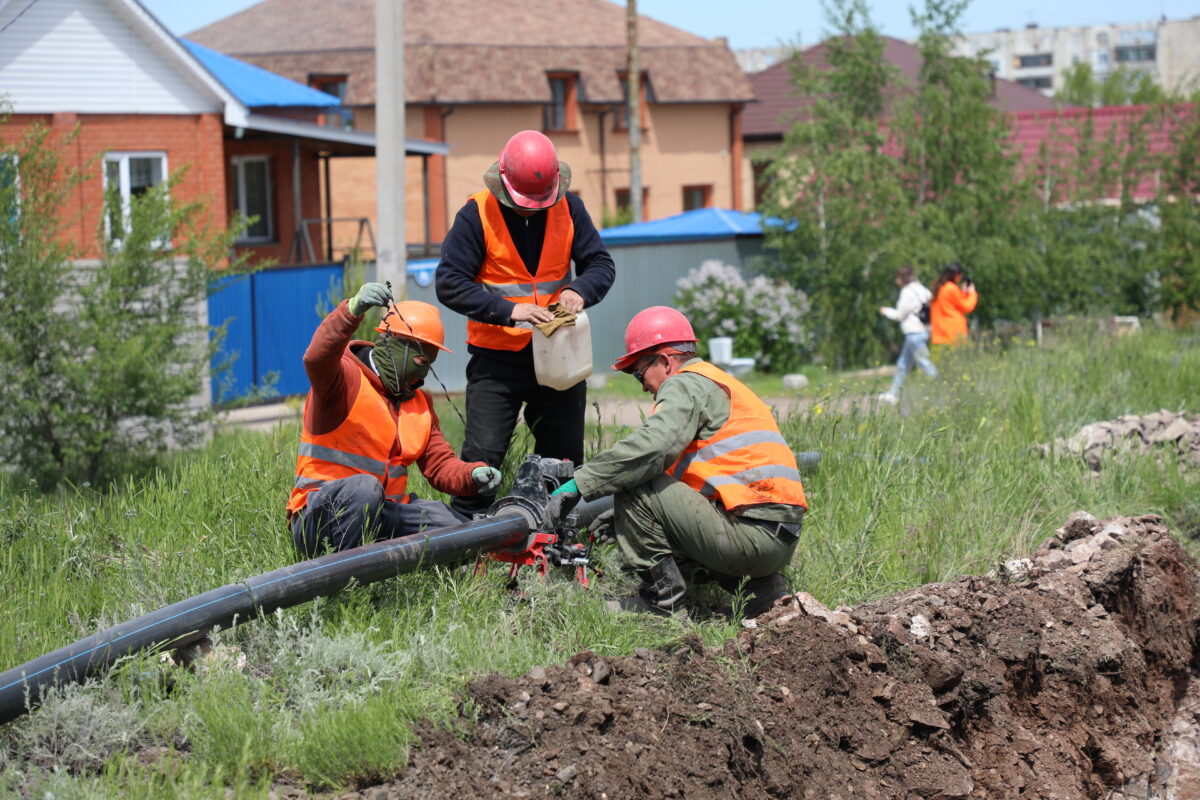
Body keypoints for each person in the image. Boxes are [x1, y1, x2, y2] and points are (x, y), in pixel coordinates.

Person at [544, 306, 807, 618]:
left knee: (636, 480)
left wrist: (579, 483)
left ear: (666, 361)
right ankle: (763, 594)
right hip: (778, 540)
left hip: (751, 537)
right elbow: (699, 481)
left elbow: (652, 450)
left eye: (640, 373)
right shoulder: (719, 383)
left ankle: (662, 602)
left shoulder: (685, 383)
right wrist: (625, 518)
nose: (642, 385)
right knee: (641, 489)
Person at [436, 130, 615, 520]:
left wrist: (579, 290)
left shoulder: (571, 208)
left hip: (559, 356)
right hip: (497, 360)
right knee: (481, 463)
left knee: (565, 462)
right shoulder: (476, 214)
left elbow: (600, 264)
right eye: (524, 204)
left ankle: (561, 542)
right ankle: (465, 546)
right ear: (502, 182)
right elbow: (449, 283)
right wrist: (508, 310)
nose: (532, 210)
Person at [287, 282, 503, 557]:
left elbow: (440, 465)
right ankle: (346, 585)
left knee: (448, 523)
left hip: (383, 513)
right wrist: (351, 310)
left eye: (430, 363)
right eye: (420, 361)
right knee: (365, 488)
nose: (423, 375)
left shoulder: (421, 404)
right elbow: (316, 358)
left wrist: (472, 474)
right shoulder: (343, 381)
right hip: (320, 516)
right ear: (391, 346)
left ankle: (454, 583)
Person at [877, 265, 937, 405]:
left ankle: (941, 388)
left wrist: (885, 311)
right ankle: (893, 394)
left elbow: (900, 315)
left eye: (898, 278)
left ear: (902, 278)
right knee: (903, 364)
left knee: (924, 363)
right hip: (924, 330)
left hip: (913, 332)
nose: (897, 281)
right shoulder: (923, 290)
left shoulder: (907, 292)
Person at [929, 261, 978, 360]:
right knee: (956, 363)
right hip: (953, 334)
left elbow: (955, 304)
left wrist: (964, 292)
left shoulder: (940, 287)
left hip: (940, 333)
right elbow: (967, 307)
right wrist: (972, 293)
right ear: (956, 275)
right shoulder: (951, 288)